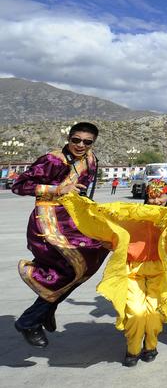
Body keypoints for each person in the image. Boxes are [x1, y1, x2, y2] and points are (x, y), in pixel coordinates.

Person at [57, 178, 167, 366]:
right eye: (152, 197)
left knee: (154, 314)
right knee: (135, 312)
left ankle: (151, 346)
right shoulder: (132, 213)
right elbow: (100, 213)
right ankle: (133, 350)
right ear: (146, 197)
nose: (156, 201)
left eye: (161, 196)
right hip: (132, 270)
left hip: (160, 271)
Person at [12, 122, 109, 348]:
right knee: (70, 268)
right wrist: (57, 189)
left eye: (87, 142)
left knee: (91, 260)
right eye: (76, 140)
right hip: (48, 221)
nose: (81, 145)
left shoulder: (91, 159)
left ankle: (47, 309)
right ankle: (30, 320)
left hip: (73, 219)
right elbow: (19, 185)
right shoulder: (53, 160)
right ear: (69, 138)